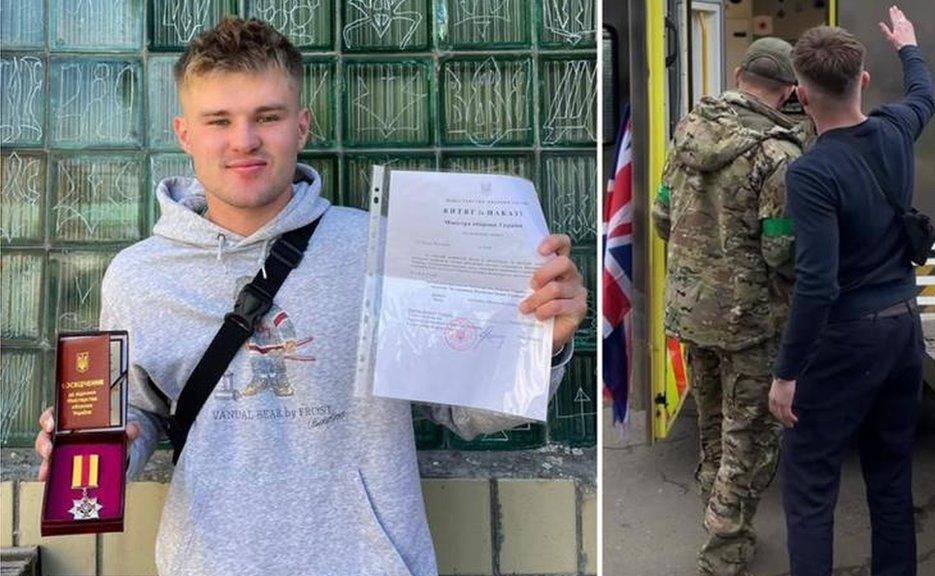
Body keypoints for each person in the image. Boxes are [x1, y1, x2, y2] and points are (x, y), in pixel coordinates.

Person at [34, 17, 587, 575]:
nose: (243, 140)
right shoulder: (138, 276)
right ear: (185, 133)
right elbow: (138, 413)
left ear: (302, 125)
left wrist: (543, 342)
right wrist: (89, 457)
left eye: (266, 117)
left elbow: (464, 412)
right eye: (219, 120)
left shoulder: (380, 247)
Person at [768, 7, 935, 576]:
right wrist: (908, 47)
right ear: (862, 81)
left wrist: (786, 374)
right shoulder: (895, 130)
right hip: (903, 329)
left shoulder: (812, 173)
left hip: (845, 342)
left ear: (802, 94)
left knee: (812, 484)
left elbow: (817, 283)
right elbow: (925, 94)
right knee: (891, 477)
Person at [654, 37, 805, 576]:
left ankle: (716, 522)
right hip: (750, 322)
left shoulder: (689, 131)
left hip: (692, 312)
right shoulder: (780, 155)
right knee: (749, 437)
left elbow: (661, 216)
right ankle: (723, 551)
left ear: (739, 73)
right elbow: (780, 250)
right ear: (789, 89)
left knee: (713, 425)